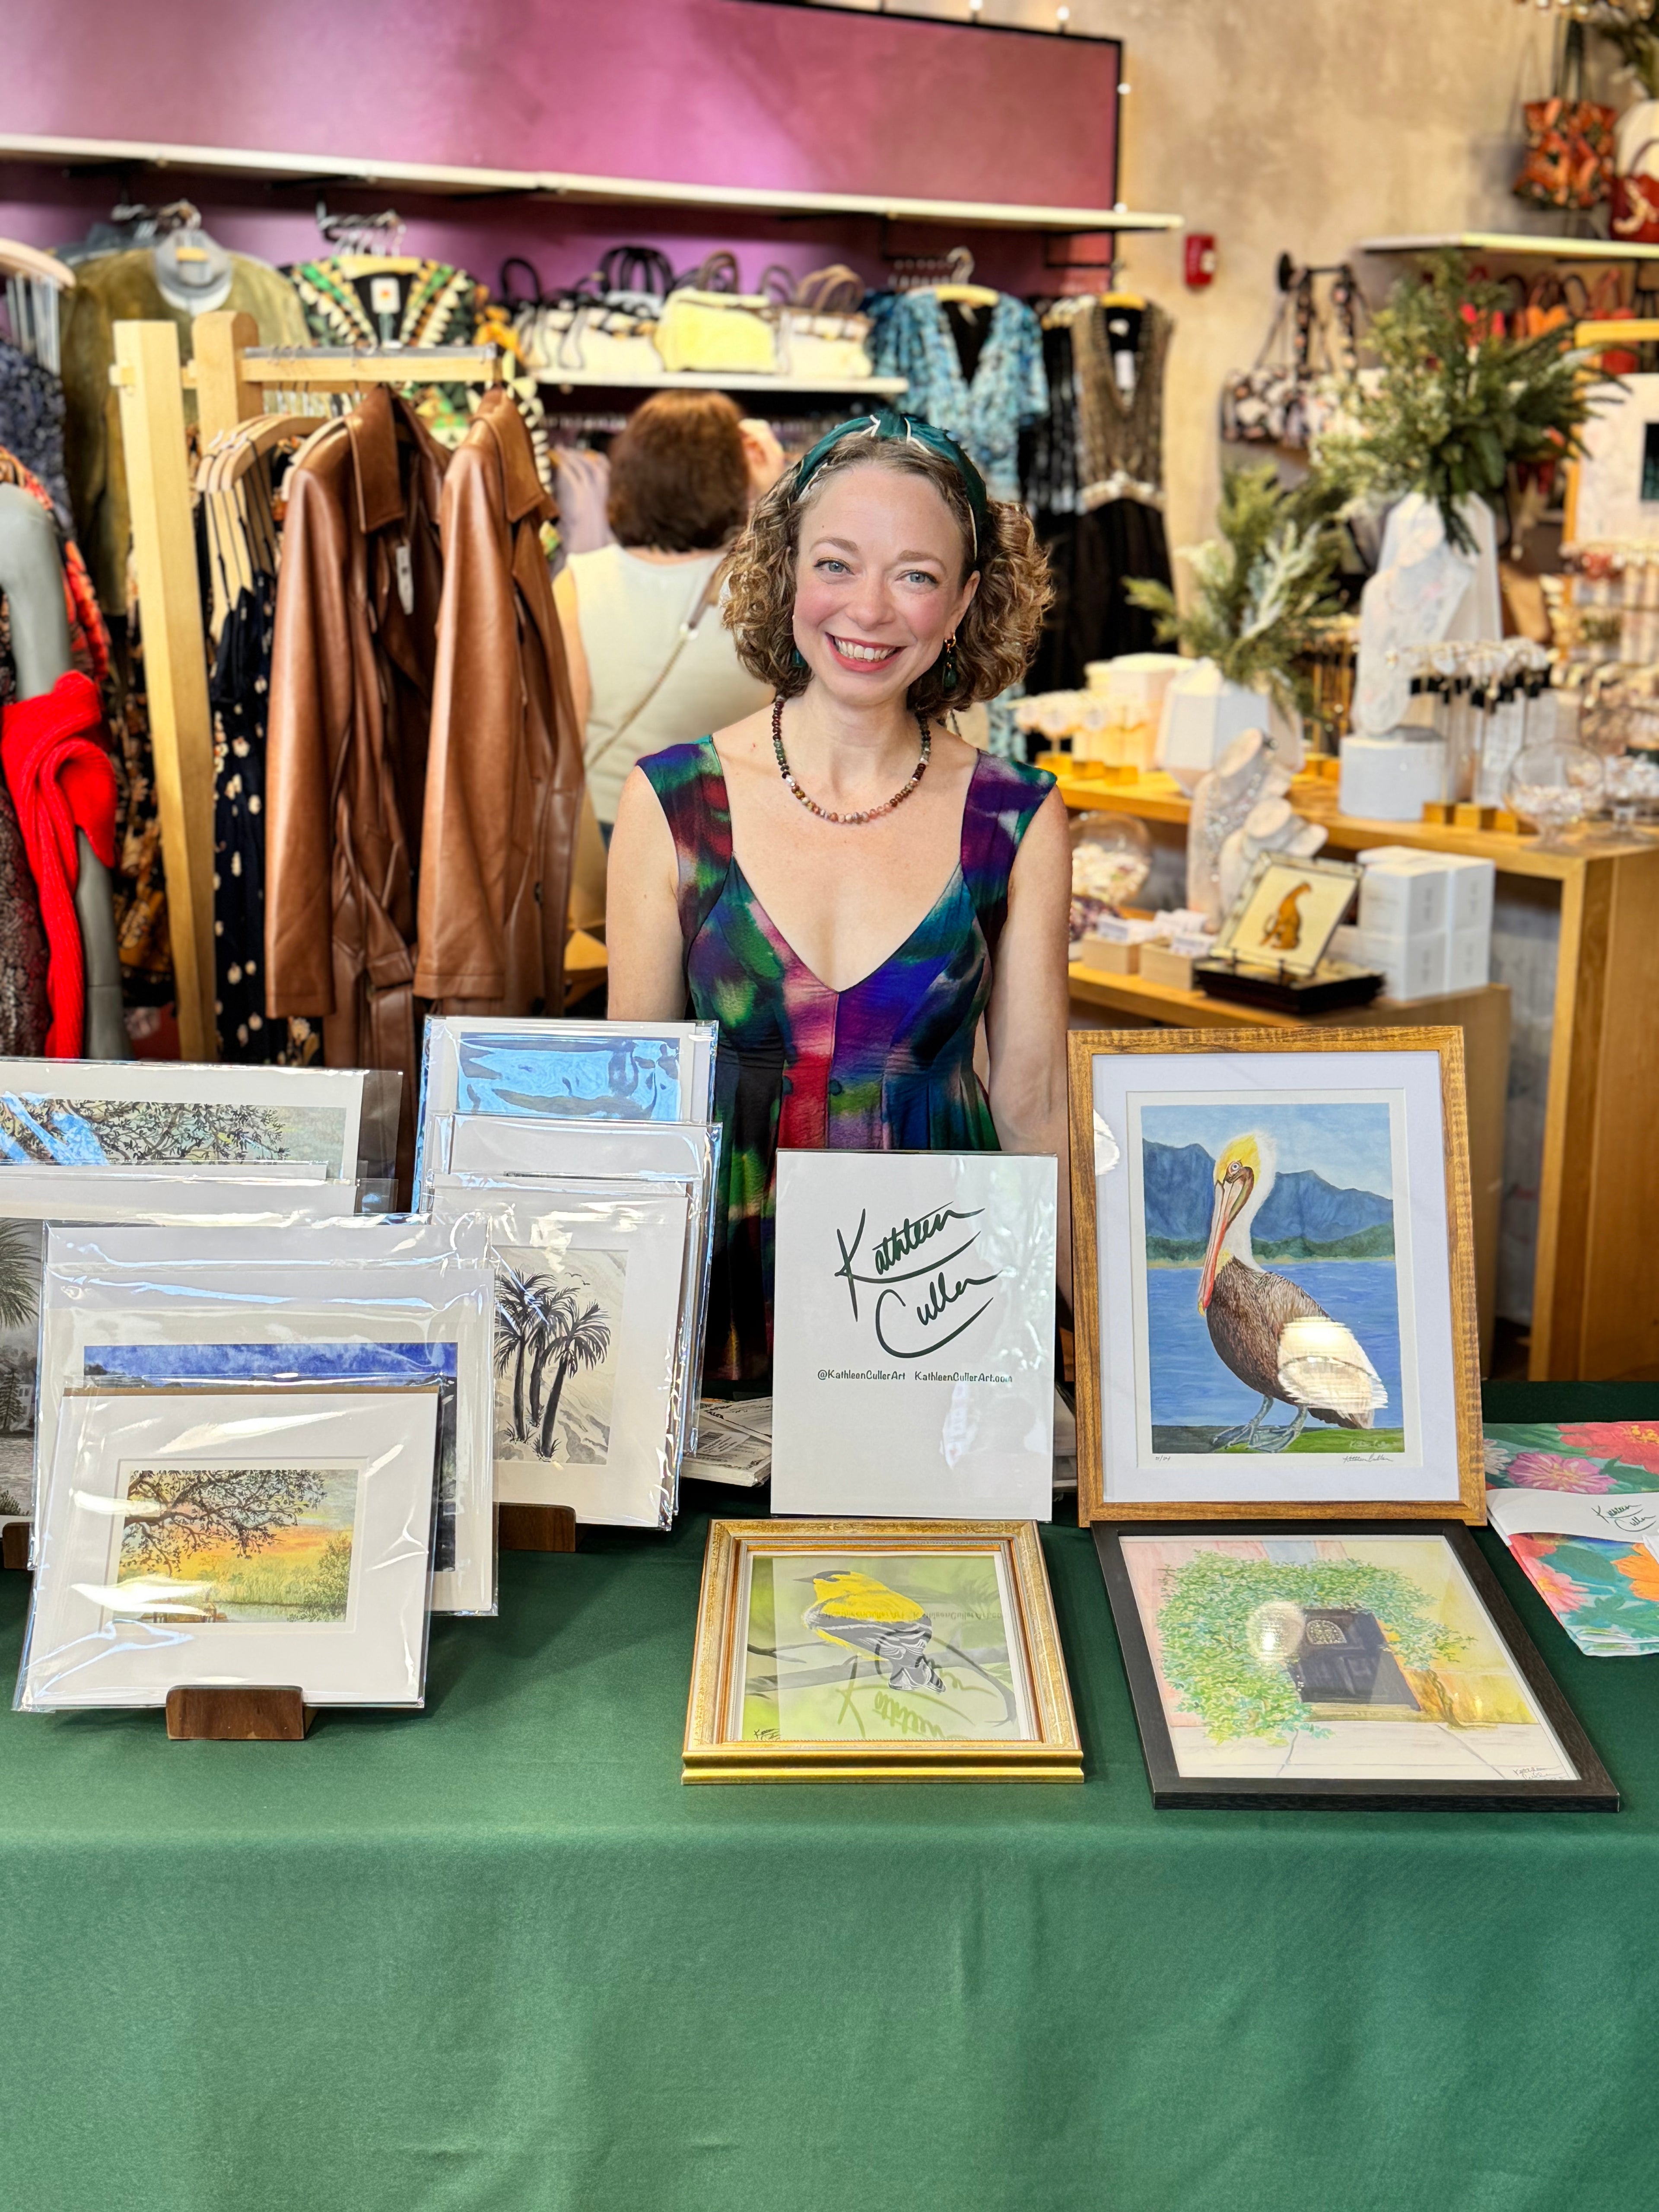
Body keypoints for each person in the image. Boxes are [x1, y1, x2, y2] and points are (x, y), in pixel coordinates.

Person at [606, 409, 1071, 1390]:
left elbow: (1031, 1110)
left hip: (940, 1334)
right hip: (719, 1323)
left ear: (964, 602)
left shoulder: (1017, 819)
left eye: (916, 575)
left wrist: (1103, 1365)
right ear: (786, 572)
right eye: (836, 564)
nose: (869, 609)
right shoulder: (673, 804)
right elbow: (638, 1124)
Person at [553, 392, 781, 842]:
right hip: (730, 825)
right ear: (732, 479)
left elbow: (566, 733)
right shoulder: (766, 585)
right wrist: (775, 489)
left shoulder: (579, 581)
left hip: (610, 820)